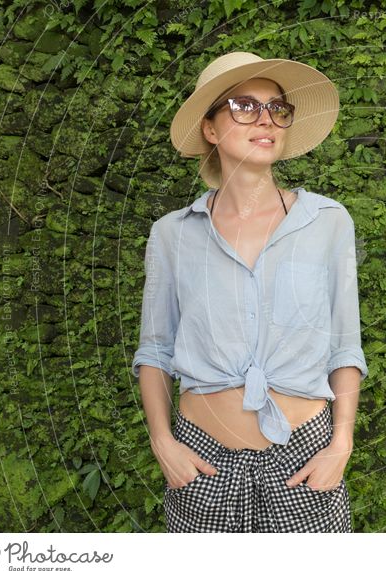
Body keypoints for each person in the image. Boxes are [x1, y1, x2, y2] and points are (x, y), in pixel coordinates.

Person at [131, 52, 369, 532]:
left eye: (277, 108)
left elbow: (345, 346)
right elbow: (155, 351)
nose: (266, 119)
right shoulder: (172, 234)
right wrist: (163, 444)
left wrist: (339, 447)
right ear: (211, 129)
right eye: (244, 105)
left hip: (305, 461)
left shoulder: (327, 222)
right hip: (201, 464)